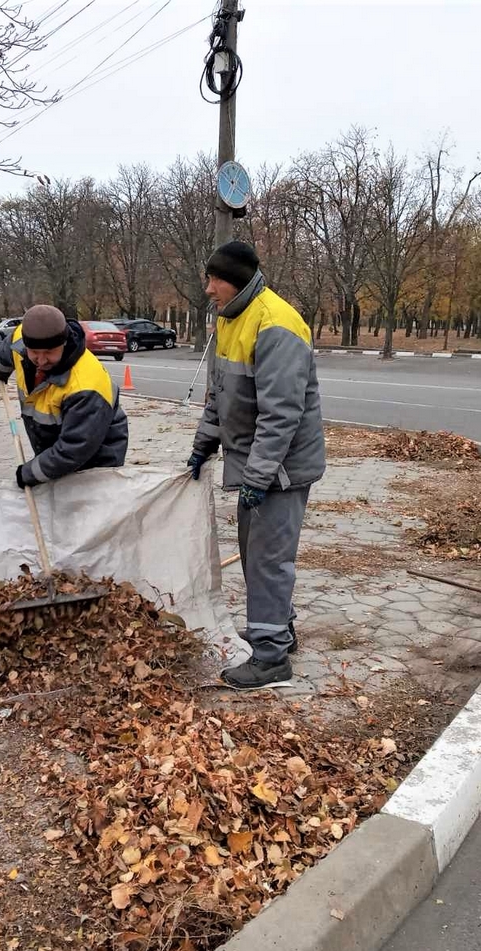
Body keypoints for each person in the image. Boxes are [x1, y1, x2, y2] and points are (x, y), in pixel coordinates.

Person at [187, 241, 325, 690]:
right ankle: (278, 632)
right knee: (256, 553)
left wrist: (259, 478)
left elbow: (280, 414)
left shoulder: (276, 323)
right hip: (257, 464)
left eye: (216, 280)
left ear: (238, 278)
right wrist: (203, 445)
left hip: (280, 468)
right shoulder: (231, 319)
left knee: (268, 559)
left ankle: (270, 659)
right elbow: (222, 395)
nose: (209, 289)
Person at [0, 304, 128, 487]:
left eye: (49, 353)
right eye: (34, 353)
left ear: (63, 343)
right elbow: (8, 349)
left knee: (81, 510)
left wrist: (29, 473)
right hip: (53, 449)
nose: (41, 360)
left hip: (94, 463)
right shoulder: (24, 338)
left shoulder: (86, 386)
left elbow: (74, 449)